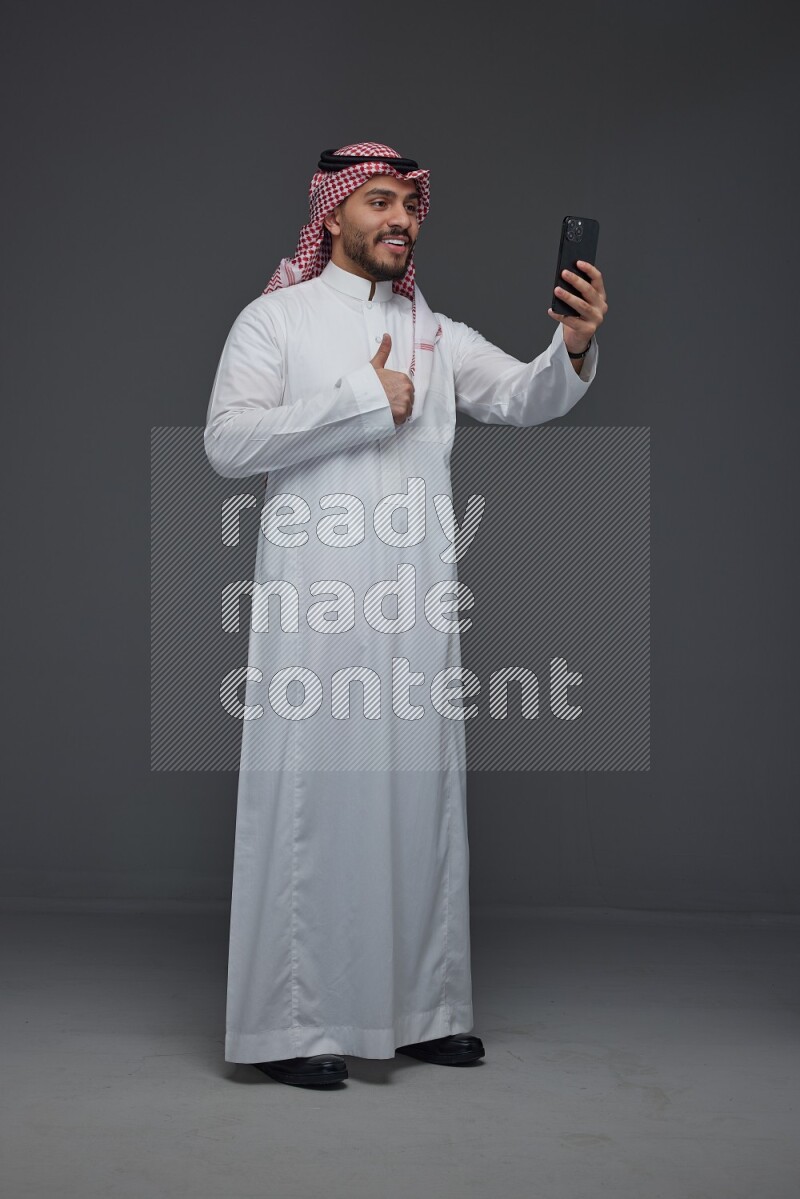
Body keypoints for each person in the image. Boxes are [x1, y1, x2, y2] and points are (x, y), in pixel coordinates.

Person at [204, 141, 607, 1088]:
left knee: (419, 801)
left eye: (409, 207)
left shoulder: (432, 328)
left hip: (416, 606)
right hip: (319, 608)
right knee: (315, 804)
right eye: (378, 201)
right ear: (332, 213)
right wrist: (357, 399)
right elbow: (226, 440)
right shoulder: (277, 321)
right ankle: (291, 1025)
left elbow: (520, 394)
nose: (398, 219)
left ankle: (425, 1010)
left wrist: (575, 346)